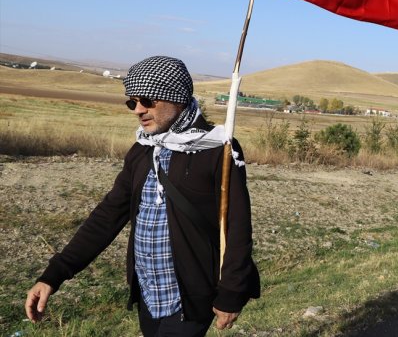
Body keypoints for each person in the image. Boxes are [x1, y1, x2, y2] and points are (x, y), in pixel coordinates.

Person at [25, 56, 260, 336]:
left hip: (191, 297)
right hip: (148, 295)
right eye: (132, 102)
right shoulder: (143, 149)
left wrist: (232, 292)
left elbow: (237, 226)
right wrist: (54, 275)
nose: (137, 110)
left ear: (176, 97)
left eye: (147, 100)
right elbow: (107, 216)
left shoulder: (217, 150)